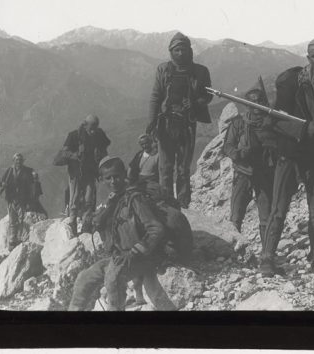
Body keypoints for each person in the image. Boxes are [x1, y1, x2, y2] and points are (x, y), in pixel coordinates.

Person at [260, 36, 314, 276]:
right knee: (279, 208)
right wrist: (303, 128)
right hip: (291, 153)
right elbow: (273, 120)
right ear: (308, 58)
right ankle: (267, 257)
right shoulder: (292, 83)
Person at [68, 156, 176, 311]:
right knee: (83, 278)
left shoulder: (135, 199)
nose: (113, 181)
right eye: (108, 178)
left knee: (113, 279)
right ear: (102, 180)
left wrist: (134, 252)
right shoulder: (114, 200)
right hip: (120, 257)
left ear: (124, 174)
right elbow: (96, 224)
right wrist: (109, 206)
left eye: (117, 176)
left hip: (143, 257)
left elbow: (156, 229)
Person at [147, 32, 212, 208]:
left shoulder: (200, 71)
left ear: (189, 50)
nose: (180, 53)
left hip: (187, 124)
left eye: (183, 49)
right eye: (176, 50)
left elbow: (207, 96)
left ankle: (183, 204)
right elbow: (156, 96)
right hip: (166, 124)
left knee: (183, 168)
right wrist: (151, 122)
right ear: (171, 51)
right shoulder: (163, 69)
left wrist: (195, 103)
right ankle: (165, 204)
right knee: (165, 167)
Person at [222, 86, 277, 254]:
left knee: (266, 215)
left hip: (265, 174)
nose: (257, 105)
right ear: (247, 105)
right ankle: (232, 251)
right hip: (243, 172)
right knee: (236, 214)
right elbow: (228, 146)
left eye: (260, 101)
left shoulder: (272, 123)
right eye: (253, 102)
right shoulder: (238, 123)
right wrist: (239, 154)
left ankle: (267, 253)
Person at [58, 115, 110, 237]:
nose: (93, 130)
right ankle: (72, 223)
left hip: (90, 172)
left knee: (89, 199)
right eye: (91, 127)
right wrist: (75, 155)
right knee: (74, 199)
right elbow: (65, 151)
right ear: (85, 125)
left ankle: (86, 225)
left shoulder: (98, 135)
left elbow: (104, 149)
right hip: (76, 172)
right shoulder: (74, 136)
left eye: (95, 127)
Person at [0, 153, 39, 251]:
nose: (18, 162)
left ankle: (21, 238)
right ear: (14, 161)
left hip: (22, 199)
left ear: (22, 161)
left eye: (20, 160)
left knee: (21, 219)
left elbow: (34, 178)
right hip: (11, 198)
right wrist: (3, 184)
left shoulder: (27, 171)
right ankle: (12, 240)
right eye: (17, 160)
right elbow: (1, 182)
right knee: (13, 219)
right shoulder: (9, 171)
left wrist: (34, 175)